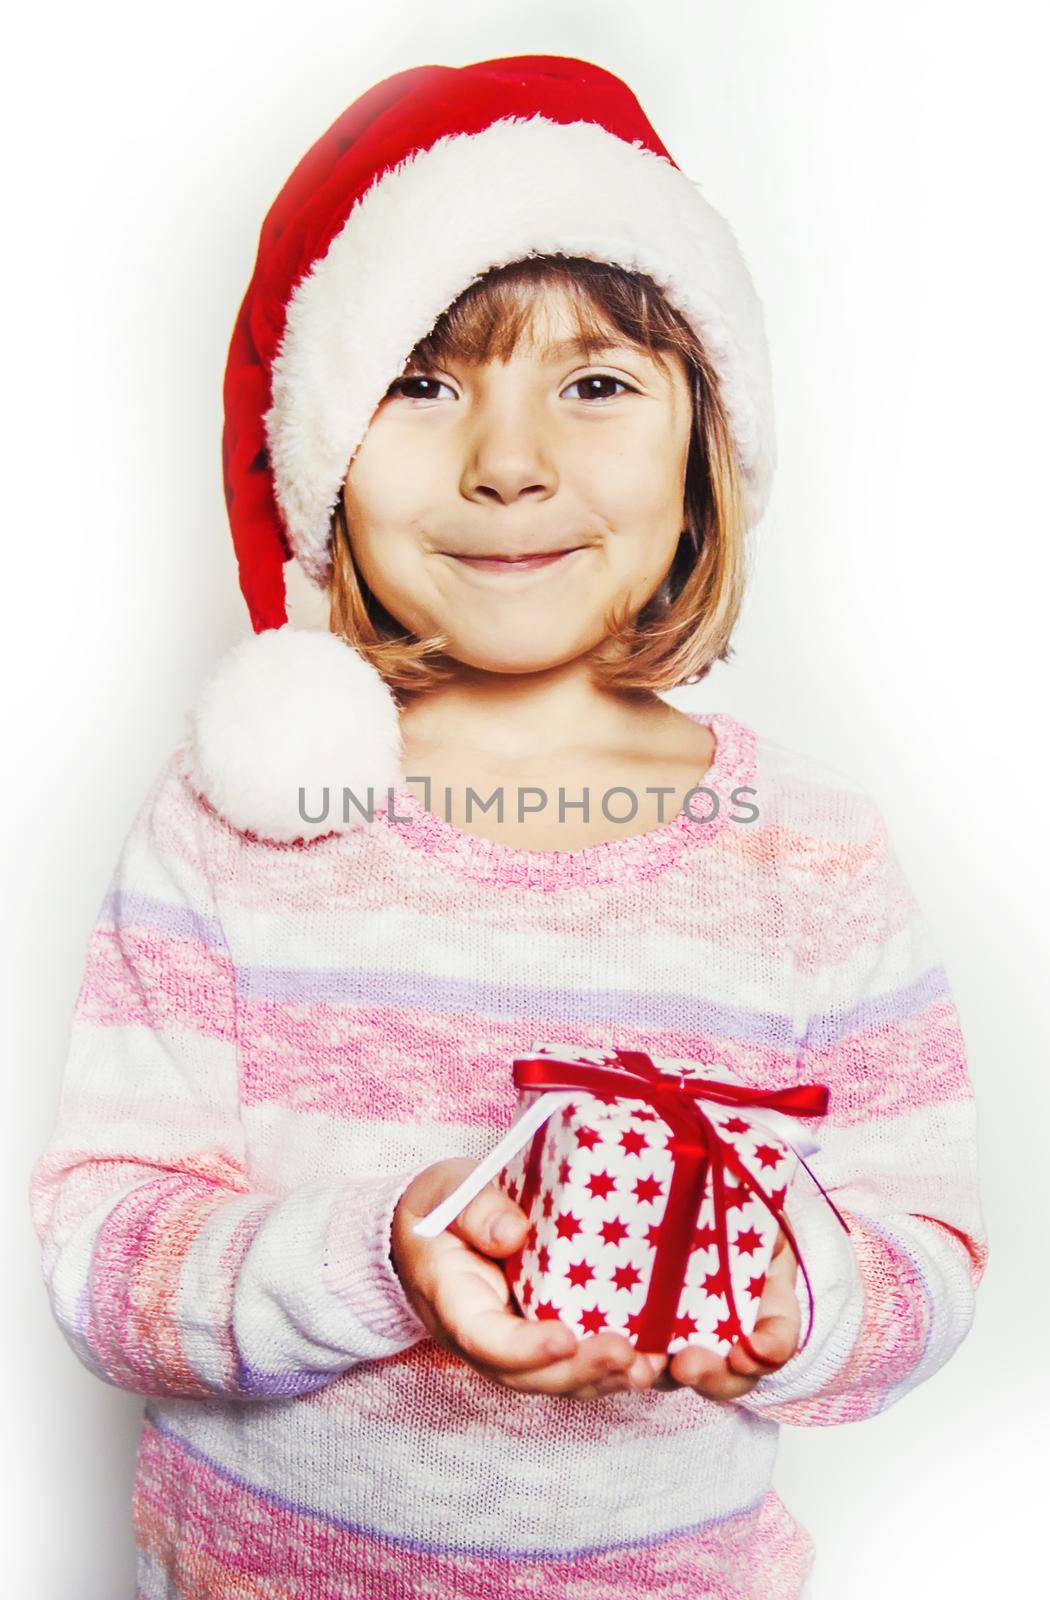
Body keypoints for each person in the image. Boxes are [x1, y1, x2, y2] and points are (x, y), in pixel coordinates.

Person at [28, 53, 988, 1600]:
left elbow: (928, 1262)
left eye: (596, 382)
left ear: (703, 444)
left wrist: (782, 1297)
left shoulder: (807, 855)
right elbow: (100, 1257)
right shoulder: (232, 820)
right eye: (422, 382)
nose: (508, 462)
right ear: (323, 450)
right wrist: (377, 1254)